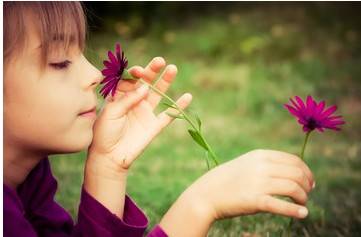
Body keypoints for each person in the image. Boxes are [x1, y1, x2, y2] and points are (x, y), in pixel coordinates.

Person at [3, 2, 315, 237]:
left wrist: (107, 166)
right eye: (60, 62)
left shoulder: (30, 180)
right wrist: (201, 204)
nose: (95, 74)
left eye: (83, 54)